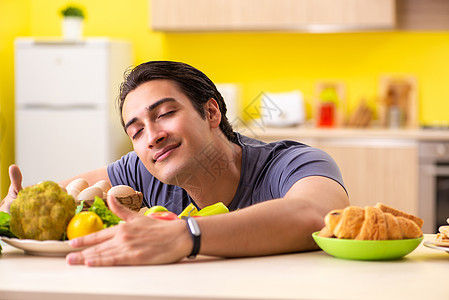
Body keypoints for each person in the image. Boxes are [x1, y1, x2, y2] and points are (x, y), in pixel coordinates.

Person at [1, 61, 349, 266]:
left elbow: (318, 215)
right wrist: (15, 211)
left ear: (211, 112)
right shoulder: (139, 171)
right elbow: (60, 197)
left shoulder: (291, 163)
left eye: (164, 114)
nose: (151, 137)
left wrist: (186, 236)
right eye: (136, 131)